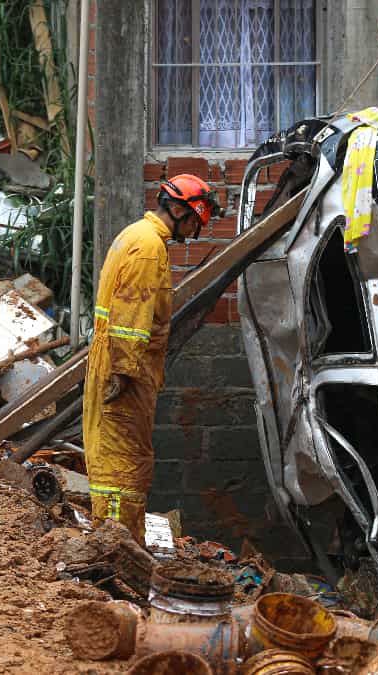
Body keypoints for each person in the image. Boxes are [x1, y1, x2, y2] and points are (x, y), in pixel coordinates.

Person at [82, 174, 223, 542]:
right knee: (123, 462)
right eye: (195, 221)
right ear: (178, 210)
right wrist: (124, 372)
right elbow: (131, 315)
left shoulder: (136, 235)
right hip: (125, 369)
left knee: (116, 455)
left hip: (119, 362)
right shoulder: (148, 248)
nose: (194, 231)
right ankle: (116, 545)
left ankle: (116, 538)